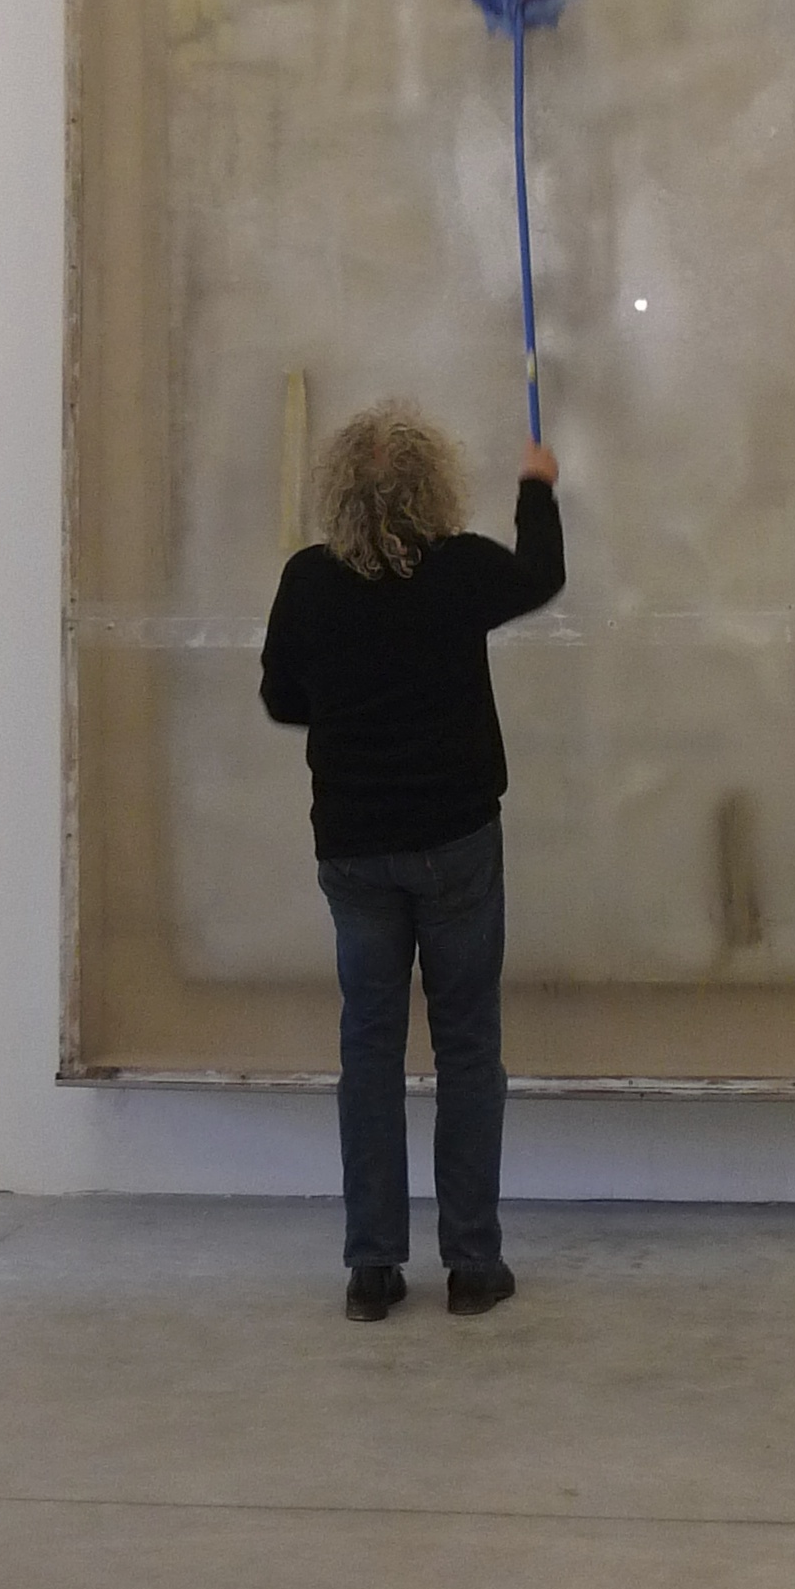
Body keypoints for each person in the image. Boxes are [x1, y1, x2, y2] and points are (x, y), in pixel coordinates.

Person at [260, 403, 566, 1321]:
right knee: (469, 1048)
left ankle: (371, 1269)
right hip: (457, 843)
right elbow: (541, 575)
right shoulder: (461, 570)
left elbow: (282, 699)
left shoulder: (308, 582)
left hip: (354, 851)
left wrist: (353, 706)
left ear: (337, 492)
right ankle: (472, 1266)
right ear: (435, 488)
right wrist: (537, 488)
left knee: (369, 1051)